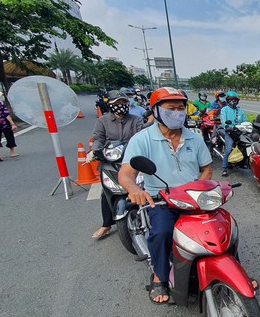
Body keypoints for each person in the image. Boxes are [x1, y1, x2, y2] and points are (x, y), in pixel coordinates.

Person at [118, 87, 213, 304]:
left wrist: (199, 186)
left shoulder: (195, 138)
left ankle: (233, 265)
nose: (178, 112)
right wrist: (134, 189)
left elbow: (206, 168)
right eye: (171, 108)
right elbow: (126, 173)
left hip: (193, 197)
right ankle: (159, 275)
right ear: (157, 111)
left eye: (181, 108)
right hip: (161, 199)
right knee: (162, 233)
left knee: (221, 225)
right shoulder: (142, 139)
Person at [91, 90, 145, 239]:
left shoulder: (135, 120)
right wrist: (97, 150)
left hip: (133, 160)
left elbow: (141, 135)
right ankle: (106, 225)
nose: (121, 106)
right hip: (111, 161)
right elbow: (97, 138)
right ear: (110, 105)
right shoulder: (102, 121)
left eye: (124, 103)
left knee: (148, 184)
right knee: (107, 192)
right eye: (117, 103)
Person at [219, 91, 247, 177]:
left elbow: (245, 120)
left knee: (247, 145)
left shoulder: (240, 111)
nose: (233, 101)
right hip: (230, 132)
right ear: (227, 100)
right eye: (230, 99)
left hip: (239, 131)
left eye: (234, 100)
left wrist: (247, 126)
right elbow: (223, 120)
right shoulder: (224, 110)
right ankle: (224, 168)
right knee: (228, 150)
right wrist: (227, 126)